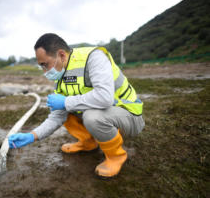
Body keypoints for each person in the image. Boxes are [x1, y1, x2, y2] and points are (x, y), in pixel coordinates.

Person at [8, 33, 145, 178]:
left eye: (45, 65)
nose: (44, 71)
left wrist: (66, 102)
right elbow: (57, 117)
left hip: (129, 115)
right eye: (41, 66)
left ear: (61, 55)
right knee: (68, 108)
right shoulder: (60, 78)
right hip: (107, 116)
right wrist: (32, 135)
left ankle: (115, 157)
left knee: (91, 116)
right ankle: (88, 142)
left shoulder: (94, 57)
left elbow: (105, 97)